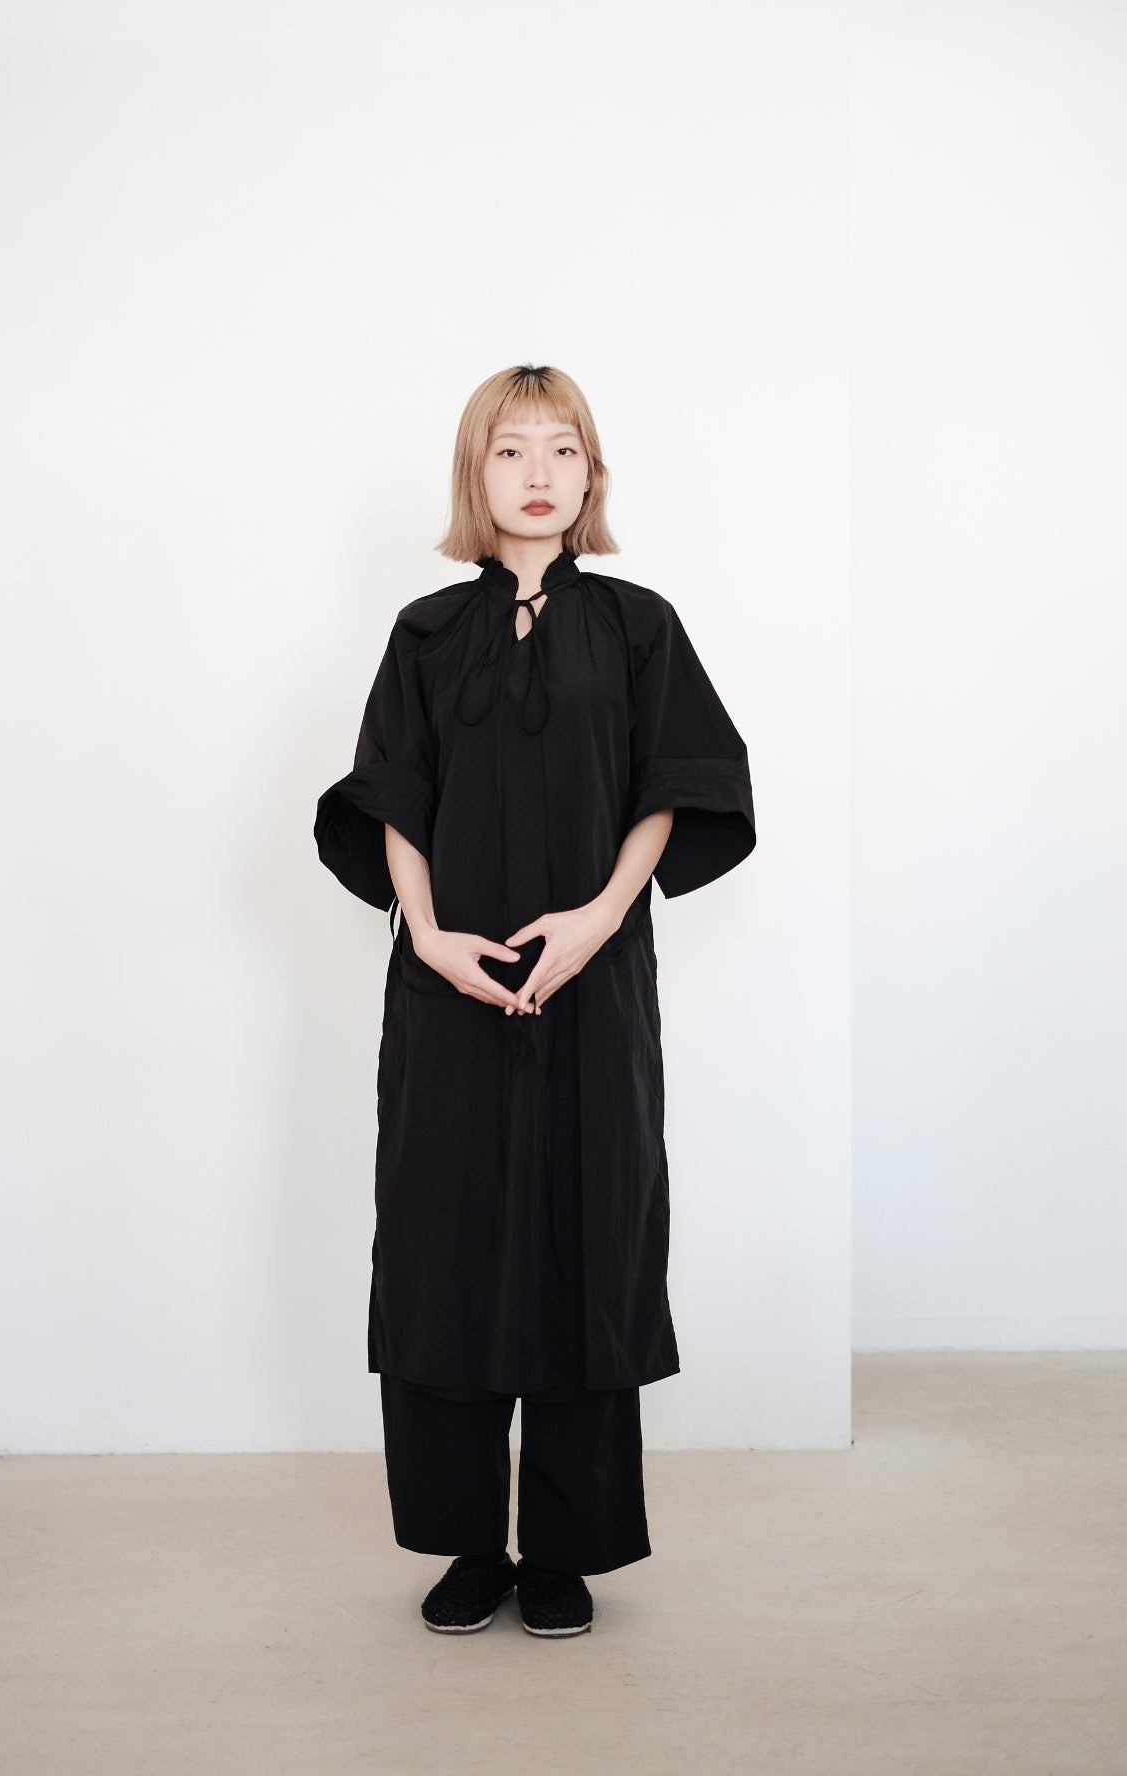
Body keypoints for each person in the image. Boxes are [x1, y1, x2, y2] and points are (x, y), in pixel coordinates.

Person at [314, 363, 756, 1637]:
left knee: (587, 1235)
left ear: (590, 472)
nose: (539, 474)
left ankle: (562, 1549)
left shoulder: (637, 626)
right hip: (447, 985)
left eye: (562, 449)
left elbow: (672, 783)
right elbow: (391, 796)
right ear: (476, 473)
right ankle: (466, 1545)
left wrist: (600, 917)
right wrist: (429, 937)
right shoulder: (424, 633)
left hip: (591, 983)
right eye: (511, 450)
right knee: (442, 1244)